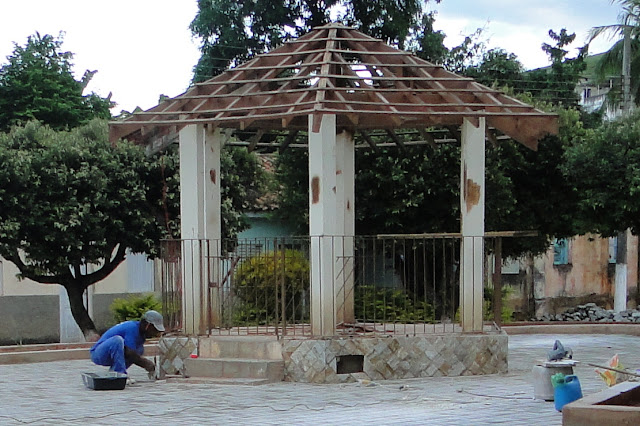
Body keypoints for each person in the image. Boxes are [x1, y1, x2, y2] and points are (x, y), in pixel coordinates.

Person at [90, 310, 164, 375]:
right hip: (98, 353)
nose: (154, 333)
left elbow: (133, 354)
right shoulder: (132, 328)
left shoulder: (141, 335)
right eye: (154, 329)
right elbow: (129, 352)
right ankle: (119, 373)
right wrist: (146, 363)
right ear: (147, 325)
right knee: (117, 341)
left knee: (140, 350)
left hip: (111, 353)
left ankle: (114, 372)